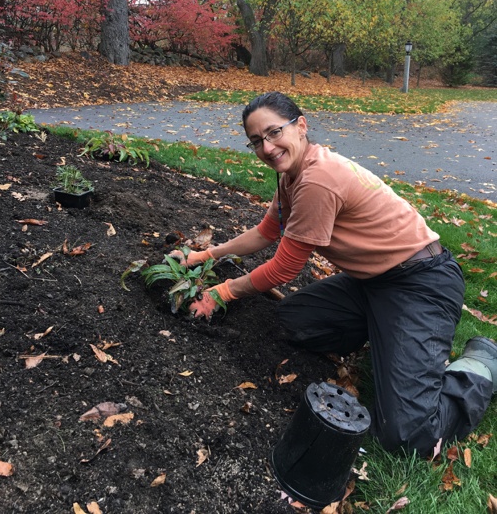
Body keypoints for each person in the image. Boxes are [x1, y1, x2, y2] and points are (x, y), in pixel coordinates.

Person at [173, 91, 496, 457]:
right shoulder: (292, 174)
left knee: (408, 435)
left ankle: (480, 363)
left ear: (301, 127)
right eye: (256, 142)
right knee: (294, 320)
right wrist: (206, 254)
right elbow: (266, 231)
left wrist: (223, 293)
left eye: (274, 132)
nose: (266, 147)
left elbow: (285, 267)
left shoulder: (317, 179)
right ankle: (389, 337)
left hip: (421, 283)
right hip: (372, 284)